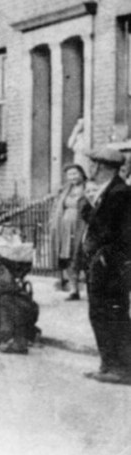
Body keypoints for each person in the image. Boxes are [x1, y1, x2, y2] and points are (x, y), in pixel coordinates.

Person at [80, 147, 131, 385]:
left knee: (112, 314)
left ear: (100, 167)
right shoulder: (106, 192)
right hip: (100, 264)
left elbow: (117, 232)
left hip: (110, 266)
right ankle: (108, 363)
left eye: (92, 164)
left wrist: (106, 258)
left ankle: (121, 367)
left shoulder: (120, 193)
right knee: (99, 314)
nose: (89, 168)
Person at [49, 164, 91, 300]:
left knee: (84, 256)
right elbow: (57, 207)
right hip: (65, 228)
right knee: (68, 257)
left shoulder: (89, 188)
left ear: (81, 174)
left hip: (83, 226)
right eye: (69, 175)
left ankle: (91, 290)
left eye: (75, 173)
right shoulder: (65, 190)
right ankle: (74, 290)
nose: (73, 177)